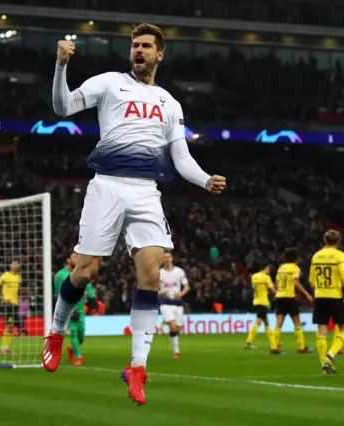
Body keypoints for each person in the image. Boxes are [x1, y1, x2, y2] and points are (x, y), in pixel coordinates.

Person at [42, 22, 226, 405]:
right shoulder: (110, 83)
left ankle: (137, 367)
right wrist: (60, 66)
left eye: (145, 46)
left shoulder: (169, 103)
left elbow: (180, 157)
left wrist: (205, 179)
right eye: (134, 45)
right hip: (107, 184)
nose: (138, 50)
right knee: (86, 270)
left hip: (146, 191)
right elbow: (62, 108)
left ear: (160, 54)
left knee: (151, 274)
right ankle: (57, 330)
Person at [310, 230, 344, 374]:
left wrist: (318, 290)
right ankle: (330, 356)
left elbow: (311, 280)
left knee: (322, 329)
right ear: (338, 241)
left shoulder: (316, 255)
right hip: (334, 295)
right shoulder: (339, 255)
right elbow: (343, 276)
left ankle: (324, 366)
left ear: (325, 241)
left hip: (319, 295)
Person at [54, 252, 97, 367]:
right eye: (75, 257)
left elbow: (88, 286)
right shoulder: (59, 276)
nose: (78, 259)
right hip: (69, 309)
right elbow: (59, 294)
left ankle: (72, 348)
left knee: (81, 337)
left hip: (81, 310)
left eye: (79, 257)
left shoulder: (81, 273)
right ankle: (79, 357)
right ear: (68, 260)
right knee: (73, 332)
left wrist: (93, 298)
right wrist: (67, 311)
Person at [273, 248, 314, 353]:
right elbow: (296, 282)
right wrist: (307, 294)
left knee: (278, 323)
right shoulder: (295, 268)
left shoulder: (281, 268)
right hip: (289, 297)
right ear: (296, 259)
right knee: (297, 322)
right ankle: (301, 347)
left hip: (279, 296)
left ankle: (274, 347)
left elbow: (276, 284)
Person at [159, 252, 190, 359]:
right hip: (165, 302)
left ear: (172, 258)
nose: (167, 259)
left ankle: (168, 323)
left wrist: (181, 294)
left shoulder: (179, 271)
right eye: (165, 257)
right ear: (162, 260)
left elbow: (187, 286)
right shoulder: (159, 273)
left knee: (177, 328)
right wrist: (160, 292)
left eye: (168, 257)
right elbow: (153, 289)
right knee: (172, 327)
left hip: (178, 302)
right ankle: (176, 352)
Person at [245, 264, 280, 353]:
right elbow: (272, 289)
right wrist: (278, 294)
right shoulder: (266, 277)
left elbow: (261, 289)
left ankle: (274, 341)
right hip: (263, 302)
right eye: (268, 268)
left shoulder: (254, 277)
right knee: (258, 322)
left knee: (266, 323)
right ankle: (248, 342)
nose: (269, 270)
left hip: (256, 301)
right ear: (265, 268)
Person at [0, 260, 23, 355]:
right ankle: (4, 349)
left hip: (14, 304)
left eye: (17, 264)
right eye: (14, 263)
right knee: (9, 325)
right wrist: (2, 298)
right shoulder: (5, 275)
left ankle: (5, 348)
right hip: (7, 304)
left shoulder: (18, 278)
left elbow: (18, 291)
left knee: (10, 326)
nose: (16, 265)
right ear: (10, 265)